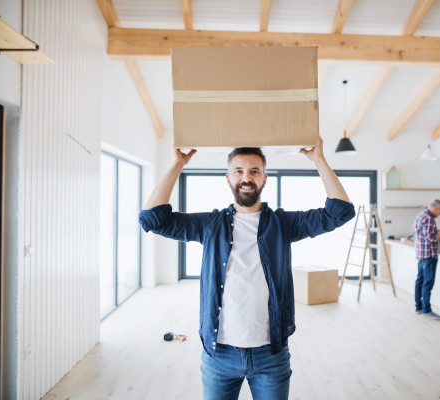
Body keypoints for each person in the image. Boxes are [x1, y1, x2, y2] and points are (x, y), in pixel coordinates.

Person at [138, 137, 355, 400]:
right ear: (228, 178)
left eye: (254, 171)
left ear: (265, 179)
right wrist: (177, 165)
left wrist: (319, 159)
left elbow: (340, 212)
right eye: (239, 171)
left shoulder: (283, 224)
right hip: (219, 356)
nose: (246, 177)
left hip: (270, 356)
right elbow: (152, 219)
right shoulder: (210, 225)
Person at [412, 199, 440, 320]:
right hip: (429, 255)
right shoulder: (430, 218)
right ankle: (427, 310)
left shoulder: (420, 215)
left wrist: (437, 231)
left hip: (421, 253)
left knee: (420, 280)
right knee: (428, 282)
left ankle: (419, 307)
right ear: (436, 208)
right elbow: (431, 238)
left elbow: (416, 232)